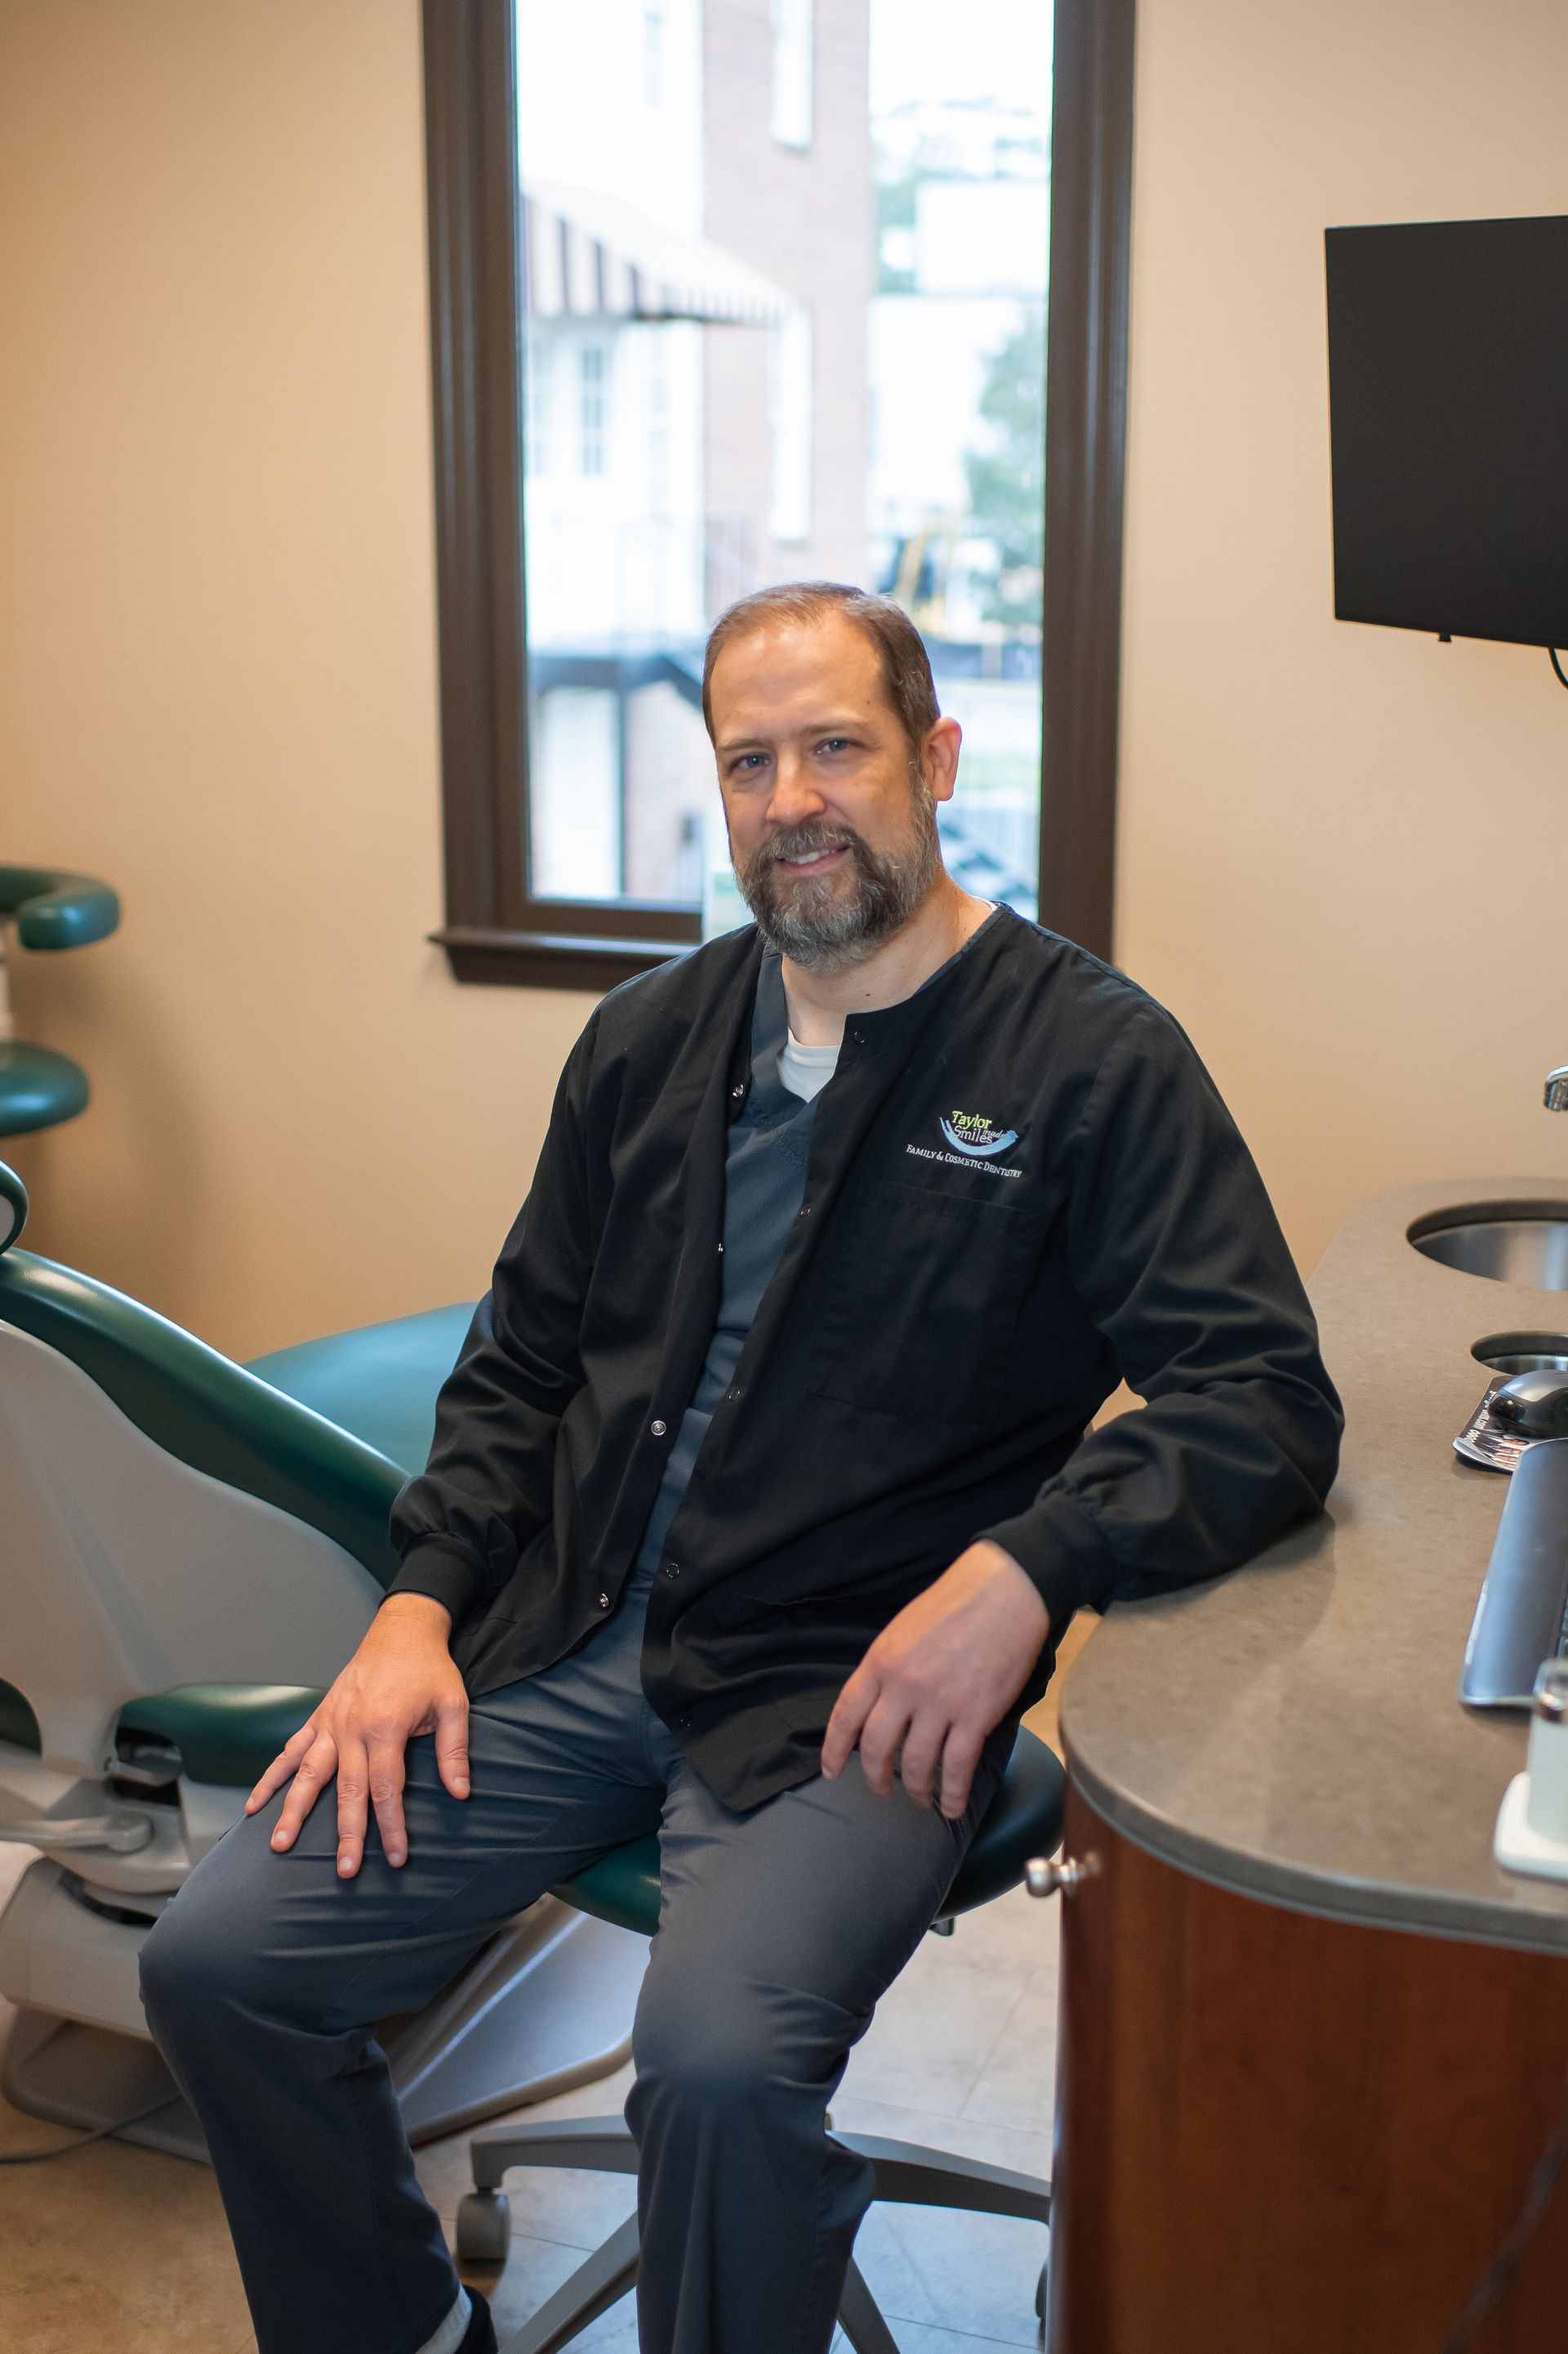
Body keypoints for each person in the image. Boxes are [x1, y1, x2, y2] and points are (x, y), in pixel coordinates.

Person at [140, 582, 1342, 2354]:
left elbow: (1263, 1399)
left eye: (838, 747)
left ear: (934, 757)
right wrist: (414, 1612)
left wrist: (1024, 1571)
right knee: (220, 1964)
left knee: (712, 2069)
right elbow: (522, 1365)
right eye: (750, 760)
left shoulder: (1092, 1062)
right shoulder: (646, 1042)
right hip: (567, 1637)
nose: (795, 799)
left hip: (848, 1687)